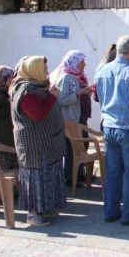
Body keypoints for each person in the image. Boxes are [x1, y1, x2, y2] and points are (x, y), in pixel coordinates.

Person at [95, 36, 129, 225]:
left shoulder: (101, 70)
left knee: (113, 172)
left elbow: (99, 97)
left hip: (109, 126)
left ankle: (110, 211)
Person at [10, 56, 68, 226]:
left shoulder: (37, 87)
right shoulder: (26, 89)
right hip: (35, 146)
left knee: (48, 175)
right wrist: (52, 97)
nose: (47, 72)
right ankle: (33, 213)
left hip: (47, 143)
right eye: (44, 69)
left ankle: (46, 207)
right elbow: (36, 114)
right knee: (36, 177)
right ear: (33, 70)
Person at [51, 50, 92, 186]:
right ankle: (69, 177)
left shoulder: (78, 76)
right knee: (71, 148)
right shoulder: (66, 78)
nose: (84, 65)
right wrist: (79, 94)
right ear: (73, 63)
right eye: (81, 62)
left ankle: (79, 173)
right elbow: (61, 99)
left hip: (78, 117)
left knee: (81, 146)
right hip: (69, 119)